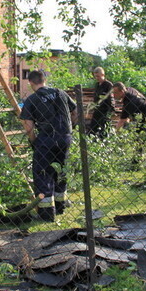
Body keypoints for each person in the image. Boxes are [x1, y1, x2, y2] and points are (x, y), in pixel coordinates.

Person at [20, 69, 78, 221]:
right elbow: (75, 112)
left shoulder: (32, 99)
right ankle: (61, 206)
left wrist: (34, 141)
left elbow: (28, 125)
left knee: (43, 173)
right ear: (44, 79)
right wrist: (70, 129)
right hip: (65, 137)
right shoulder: (61, 93)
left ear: (31, 82)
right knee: (60, 171)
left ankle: (46, 213)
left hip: (46, 140)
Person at [88, 66, 114, 137]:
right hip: (97, 109)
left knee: (104, 129)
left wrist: (111, 110)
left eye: (98, 76)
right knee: (92, 128)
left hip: (105, 110)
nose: (97, 78)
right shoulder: (97, 85)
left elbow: (111, 98)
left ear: (103, 75)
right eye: (95, 76)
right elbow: (95, 98)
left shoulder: (108, 85)